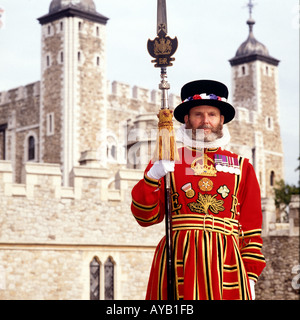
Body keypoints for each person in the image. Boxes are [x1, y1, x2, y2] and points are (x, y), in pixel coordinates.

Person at [131, 80, 266, 300]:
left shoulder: (242, 166)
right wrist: (152, 177)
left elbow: (251, 229)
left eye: (212, 114)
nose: (206, 121)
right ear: (186, 119)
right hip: (179, 258)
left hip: (227, 263)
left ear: (221, 119)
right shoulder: (167, 158)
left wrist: (250, 276)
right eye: (198, 114)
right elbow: (146, 217)